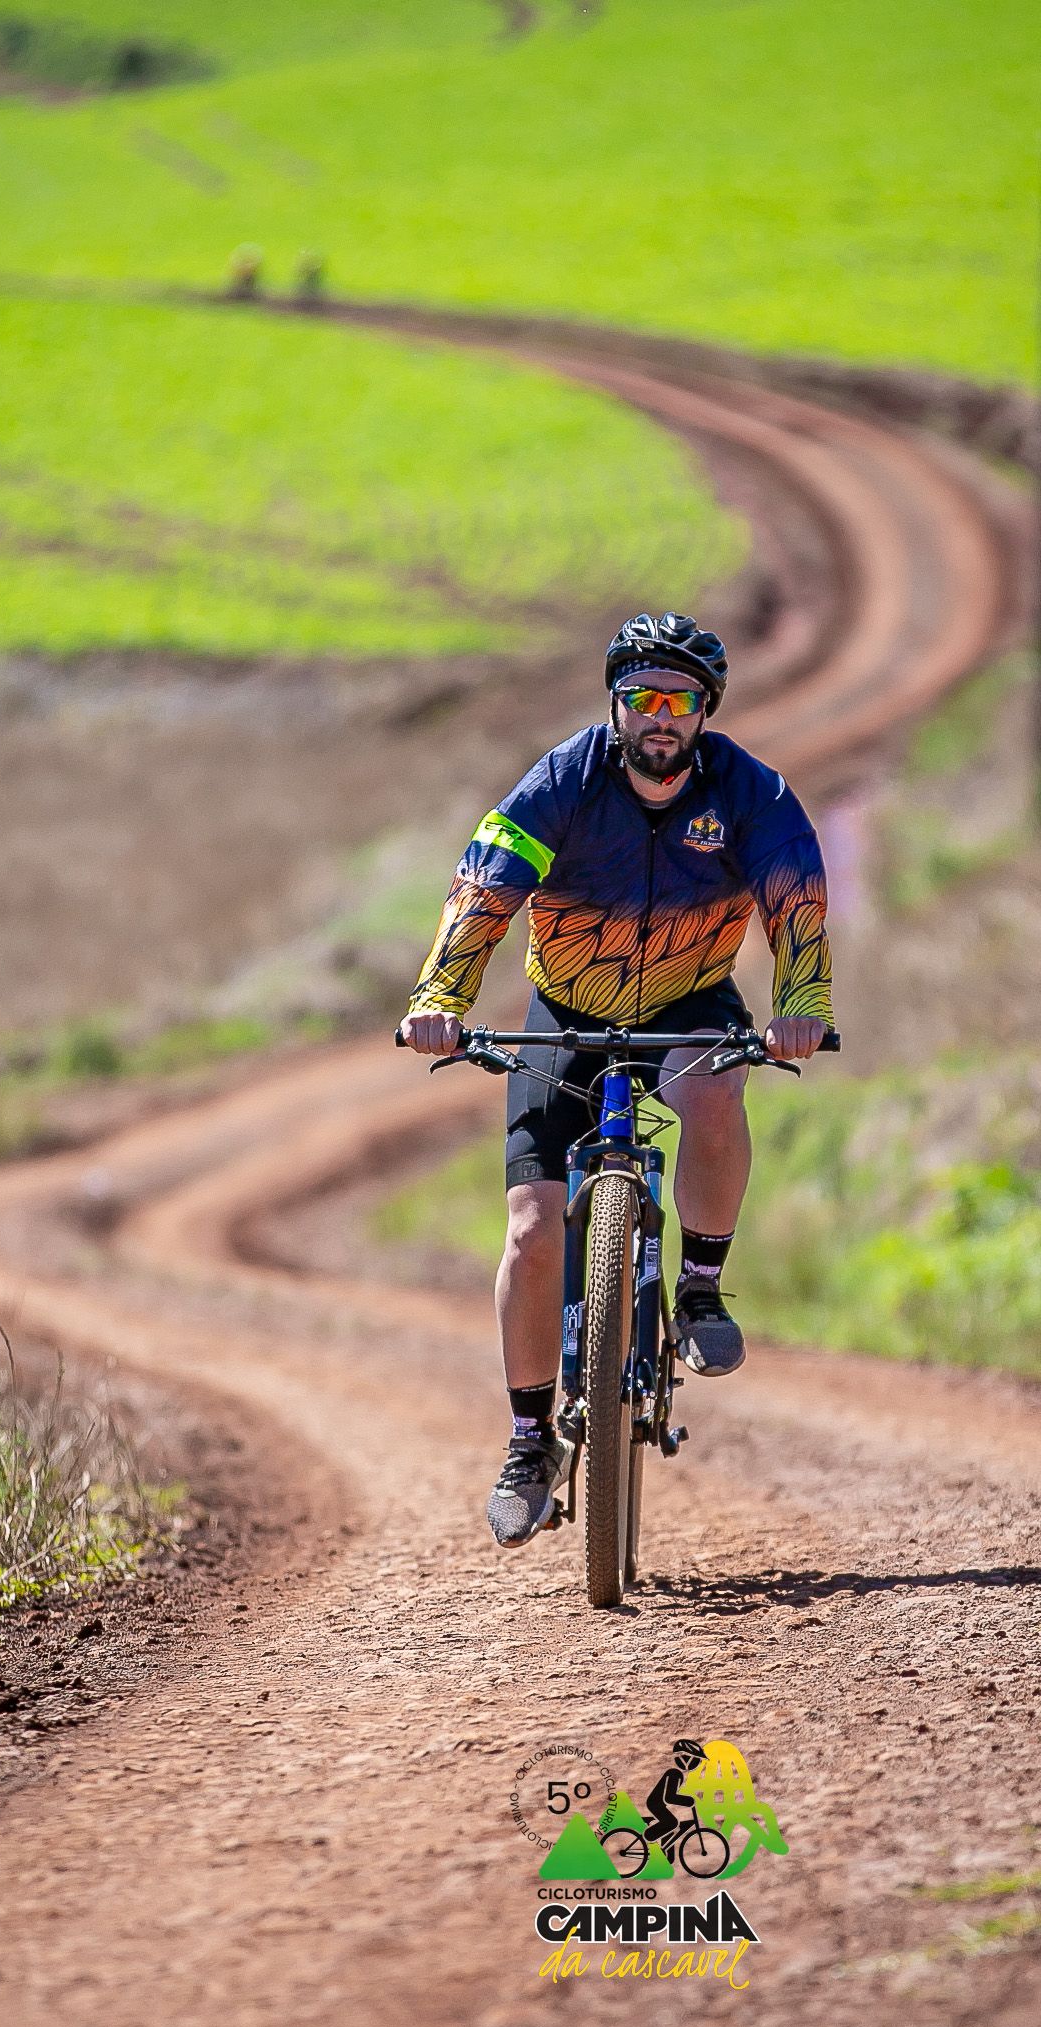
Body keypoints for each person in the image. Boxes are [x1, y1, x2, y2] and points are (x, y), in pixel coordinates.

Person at [400, 611, 832, 1548]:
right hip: (565, 1010)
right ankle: (528, 1443)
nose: (659, 719)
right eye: (643, 698)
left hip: (690, 999)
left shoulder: (753, 794)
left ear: (706, 712)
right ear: (616, 705)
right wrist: (440, 995)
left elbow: (797, 899)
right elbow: (483, 890)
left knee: (714, 1090)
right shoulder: (561, 782)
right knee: (530, 1230)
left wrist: (801, 1004)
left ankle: (701, 1288)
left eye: (679, 701)